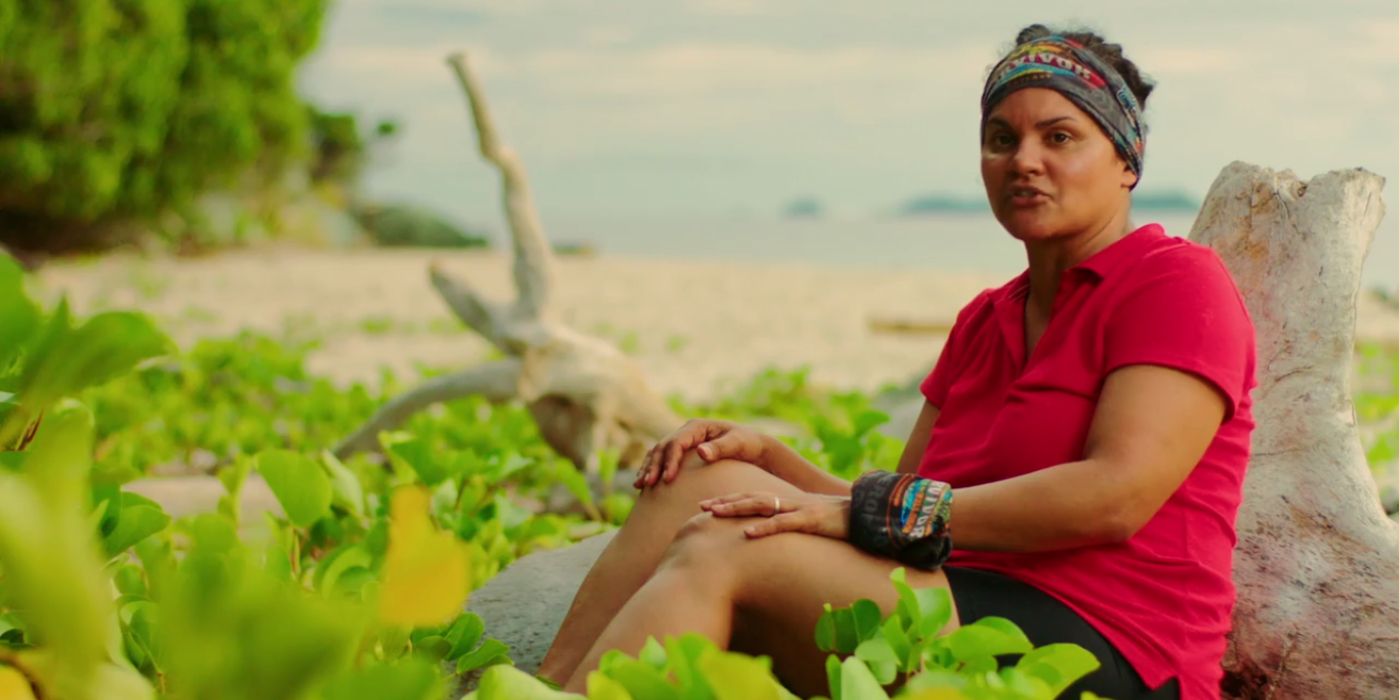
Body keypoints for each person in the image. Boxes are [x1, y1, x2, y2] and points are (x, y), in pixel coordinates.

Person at [538, 23, 1255, 700]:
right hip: (951, 601)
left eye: (1058, 137)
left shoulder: (1176, 283)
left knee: (723, 548)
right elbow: (903, 510)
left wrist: (861, 507)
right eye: (1000, 140)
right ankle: (545, 686)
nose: (1023, 161)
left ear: (1126, 162)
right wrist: (770, 458)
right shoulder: (987, 318)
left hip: (1110, 644)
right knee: (698, 480)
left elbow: (1115, 498)